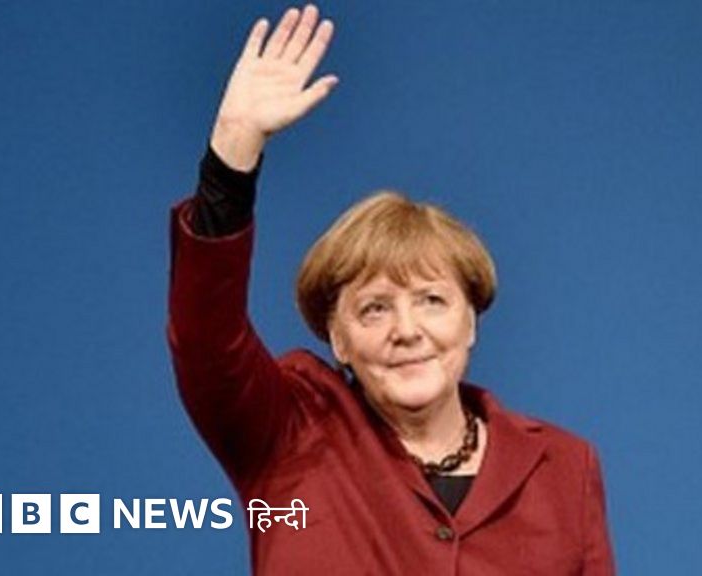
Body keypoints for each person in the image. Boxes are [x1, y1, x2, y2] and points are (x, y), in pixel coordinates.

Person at [167, 4, 616, 574]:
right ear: (338, 338)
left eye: (432, 301)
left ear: (470, 320)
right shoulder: (288, 434)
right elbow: (206, 340)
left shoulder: (564, 467)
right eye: (374, 309)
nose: (407, 331)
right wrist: (232, 153)